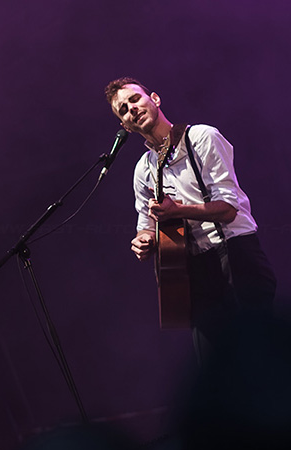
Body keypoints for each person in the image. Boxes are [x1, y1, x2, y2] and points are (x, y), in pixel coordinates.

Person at [104, 77, 276, 355]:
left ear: (155, 99)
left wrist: (178, 210)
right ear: (125, 126)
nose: (131, 108)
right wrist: (143, 240)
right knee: (216, 370)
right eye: (123, 109)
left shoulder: (202, 137)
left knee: (259, 354)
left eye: (135, 99)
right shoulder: (143, 170)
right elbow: (145, 226)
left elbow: (229, 209)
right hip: (192, 270)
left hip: (235, 255)